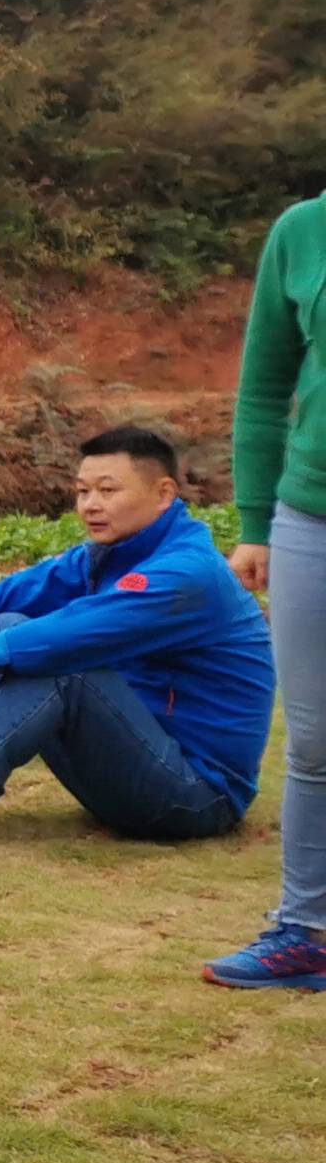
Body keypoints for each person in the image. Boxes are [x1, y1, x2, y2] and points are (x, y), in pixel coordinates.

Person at [0, 427, 273, 845]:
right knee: (8, 623)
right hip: (137, 760)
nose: (90, 505)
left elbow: (70, 637)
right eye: (83, 491)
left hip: (197, 796)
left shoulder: (185, 573)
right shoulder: (109, 554)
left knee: (63, 666)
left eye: (108, 490)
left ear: (163, 495)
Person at [210, 186, 326, 991]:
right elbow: (262, 388)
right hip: (311, 517)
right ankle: (307, 931)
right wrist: (255, 517)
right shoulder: (304, 230)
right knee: (316, 743)